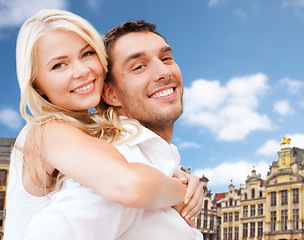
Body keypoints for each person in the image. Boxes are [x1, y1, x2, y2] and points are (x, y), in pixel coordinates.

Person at [4, 9, 202, 240]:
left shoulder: (93, 132)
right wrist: (182, 190)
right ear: (36, 84)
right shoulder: (48, 130)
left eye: (87, 54)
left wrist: (172, 169)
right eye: (59, 65)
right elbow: (128, 185)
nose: (82, 71)